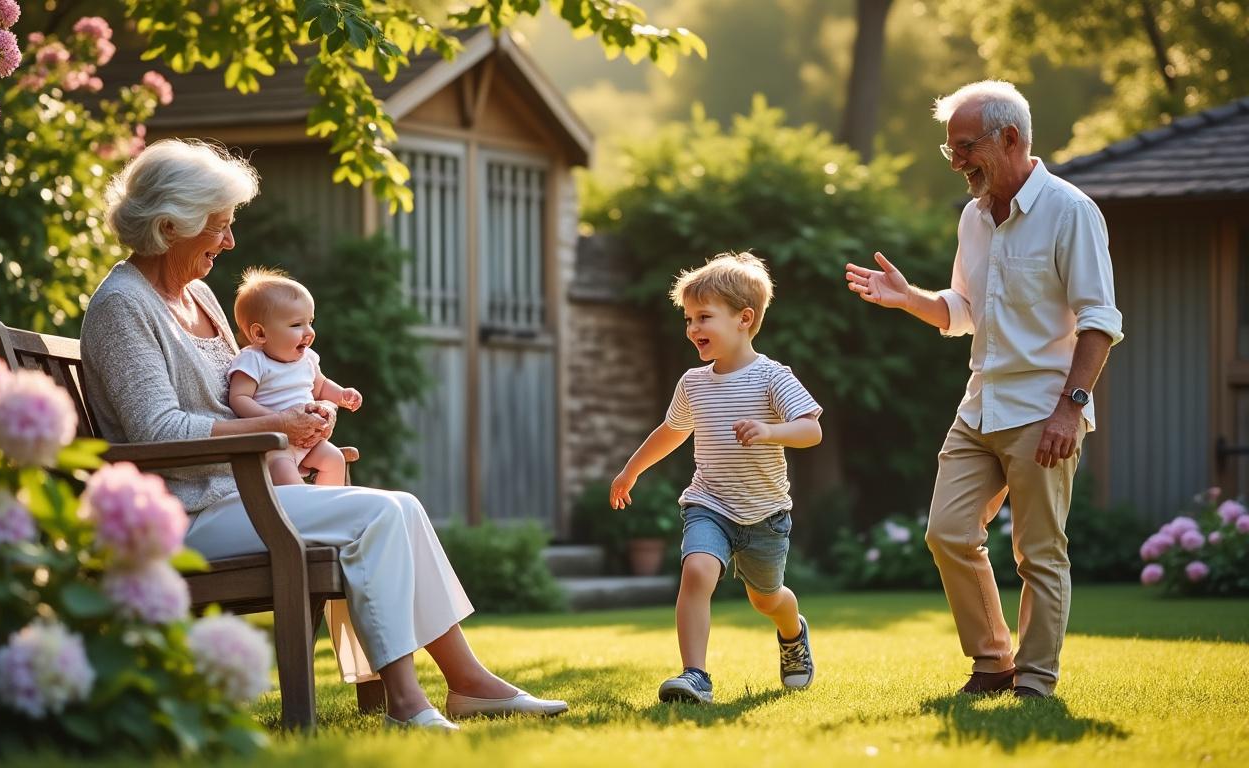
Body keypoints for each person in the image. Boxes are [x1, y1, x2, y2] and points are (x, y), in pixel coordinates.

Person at [80, 138, 567, 730]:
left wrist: (302, 416)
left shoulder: (200, 296)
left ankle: (468, 683)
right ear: (170, 225)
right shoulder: (122, 306)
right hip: (187, 514)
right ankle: (410, 703)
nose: (231, 242)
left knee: (402, 509)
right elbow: (156, 430)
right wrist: (274, 428)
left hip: (245, 492)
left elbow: (255, 392)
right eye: (219, 227)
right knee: (379, 518)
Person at [843, 80, 1123, 698]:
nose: (957, 162)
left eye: (966, 147)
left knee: (1038, 554)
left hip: (1044, 408)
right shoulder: (974, 216)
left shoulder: (1069, 211)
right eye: (951, 151)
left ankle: (1036, 681)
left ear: (1011, 138)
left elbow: (1100, 321)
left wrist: (1070, 409)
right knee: (946, 531)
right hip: (981, 403)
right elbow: (963, 310)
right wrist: (909, 298)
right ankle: (994, 660)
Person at [609, 252, 823, 704]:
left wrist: (770, 431)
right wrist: (631, 471)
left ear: (745, 319)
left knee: (767, 599)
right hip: (710, 504)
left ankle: (792, 631)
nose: (692, 329)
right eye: (688, 319)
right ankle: (695, 676)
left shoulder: (771, 377)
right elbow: (671, 431)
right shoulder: (693, 382)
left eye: (703, 317)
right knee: (696, 571)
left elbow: (811, 429)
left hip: (765, 515)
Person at [228, 266, 361, 486]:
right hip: (274, 441)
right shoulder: (252, 360)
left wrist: (341, 395)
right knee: (283, 470)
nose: (309, 332)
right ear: (260, 333)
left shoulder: (307, 358)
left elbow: (320, 386)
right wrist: (275, 420)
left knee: (334, 459)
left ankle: (328, 508)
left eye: (310, 322)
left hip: (307, 439)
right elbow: (239, 398)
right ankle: (300, 513)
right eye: (297, 325)